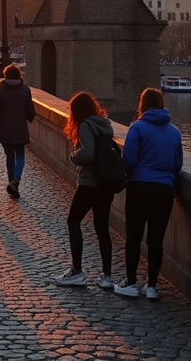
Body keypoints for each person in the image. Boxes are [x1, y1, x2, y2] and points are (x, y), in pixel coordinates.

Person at [114, 87, 184, 300]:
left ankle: (131, 282)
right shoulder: (174, 131)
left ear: (142, 104)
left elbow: (130, 160)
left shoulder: (138, 128)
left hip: (139, 188)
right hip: (164, 190)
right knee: (156, 239)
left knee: (134, 237)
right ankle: (152, 286)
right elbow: (177, 165)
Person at [55, 92, 117, 289]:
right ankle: (106, 276)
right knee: (102, 228)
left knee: (73, 221)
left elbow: (88, 152)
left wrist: (74, 156)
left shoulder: (85, 126)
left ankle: (77, 271)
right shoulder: (104, 125)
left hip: (89, 183)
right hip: (105, 184)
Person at [0, 64, 36, 199]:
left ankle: (11, 181)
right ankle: (16, 179)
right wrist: (29, 117)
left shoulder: (0, 89)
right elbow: (30, 111)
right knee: (20, 155)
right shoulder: (25, 89)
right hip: (20, 128)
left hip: (5, 128)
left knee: (10, 157)